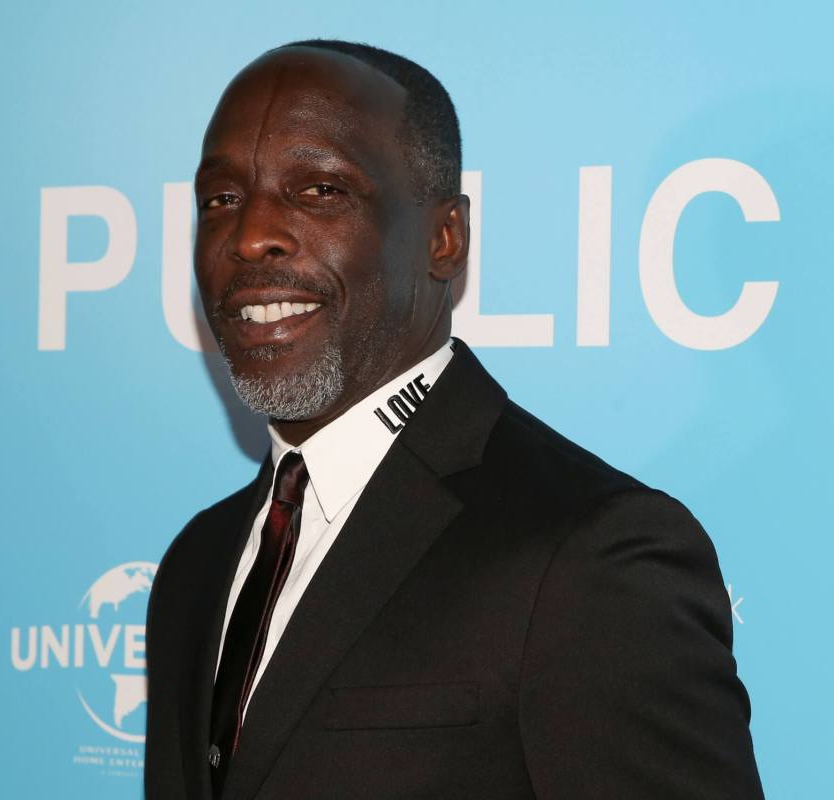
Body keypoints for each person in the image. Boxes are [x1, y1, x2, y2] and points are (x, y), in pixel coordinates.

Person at [144, 39, 763, 800]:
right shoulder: (196, 564)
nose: (249, 236)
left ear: (445, 239)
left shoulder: (590, 556)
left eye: (319, 191)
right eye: (221, 199)